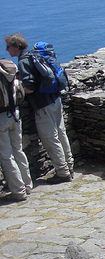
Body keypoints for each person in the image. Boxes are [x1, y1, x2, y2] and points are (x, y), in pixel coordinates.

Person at [5, 33, 73, 183]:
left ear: (16, 46)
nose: (6, 50)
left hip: (42, 104)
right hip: (55, 98)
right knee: (61, 134)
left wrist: (17, 89)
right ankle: (70, 164)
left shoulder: (23, 62)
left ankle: (63, 173)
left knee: (50, 139)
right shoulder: (34, 55)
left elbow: (29, 87)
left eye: (8, 47)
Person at [0, 56, 32, 202]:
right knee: (18, 150)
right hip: (16, 114)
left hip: (1, 118)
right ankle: (27, 185)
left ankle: (19, 192)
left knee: (6, 156)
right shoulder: (9, 68)